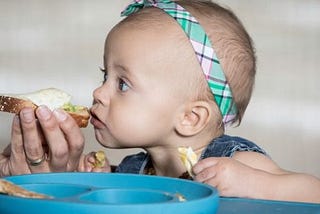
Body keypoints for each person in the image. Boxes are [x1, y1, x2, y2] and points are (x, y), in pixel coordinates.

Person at [1, 0, 320, 203]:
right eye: (104, 76)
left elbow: (313, 192)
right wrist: (95, 184)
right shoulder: (135, 170)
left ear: (190, 118)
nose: (98, 93)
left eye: (122, 83)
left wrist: (257, 184)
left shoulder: (234, 162)